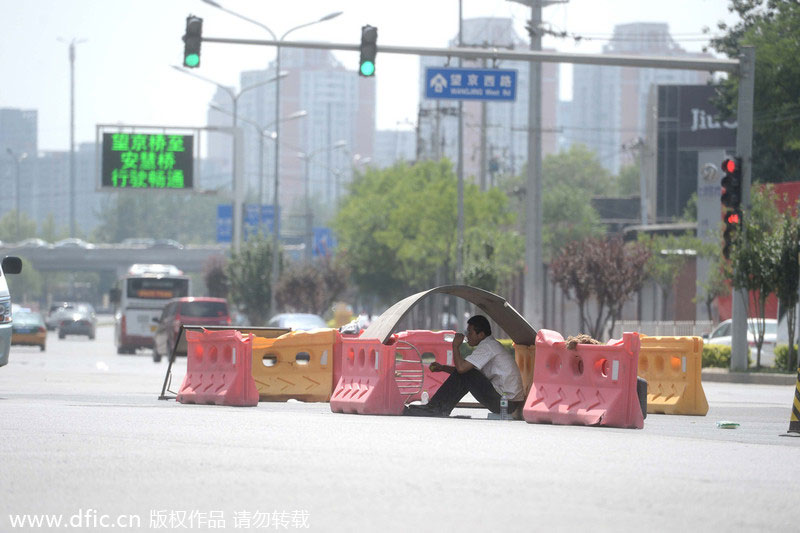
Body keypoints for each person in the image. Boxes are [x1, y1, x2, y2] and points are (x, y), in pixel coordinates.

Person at [404, 314, 525, 417]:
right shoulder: (489, 345)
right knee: (467, 373)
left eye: (470, 332)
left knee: (466, 372)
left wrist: (455, 346)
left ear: (481, 335)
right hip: (507, 402)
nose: (467, 336)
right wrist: (443, 368)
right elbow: (464, 373)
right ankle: (437, 407)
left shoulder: (488, 347)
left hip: (506, 404)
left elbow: (462, 370)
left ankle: (436, 408)